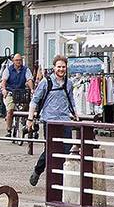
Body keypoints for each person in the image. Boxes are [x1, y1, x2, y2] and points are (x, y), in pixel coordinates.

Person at [28, 55, 78, 186]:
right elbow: (35, 100)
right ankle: (38, 171)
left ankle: (60, 177)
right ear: (54, 67)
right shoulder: (46, 82)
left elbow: (71, 99)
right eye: (59, 67)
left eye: (63, 67)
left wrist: (75, 113)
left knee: (67, 149)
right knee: (50, 149)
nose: (61, 69)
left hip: (65, 119)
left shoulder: (69, 83)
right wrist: (30, 118)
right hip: (49, 120)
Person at [0, 53, 33, 135]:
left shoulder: (26, 69)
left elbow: (29, 80)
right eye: (17, 60)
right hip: (10, 92)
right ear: (13, 61)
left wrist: (32, 89)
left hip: (21, 92)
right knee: (10, 110)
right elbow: (3, 81)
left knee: (27, 108)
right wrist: (3, 89)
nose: (19, 62)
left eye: (20, 60)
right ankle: (9, 129)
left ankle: (26, 125)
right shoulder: (8, 69)